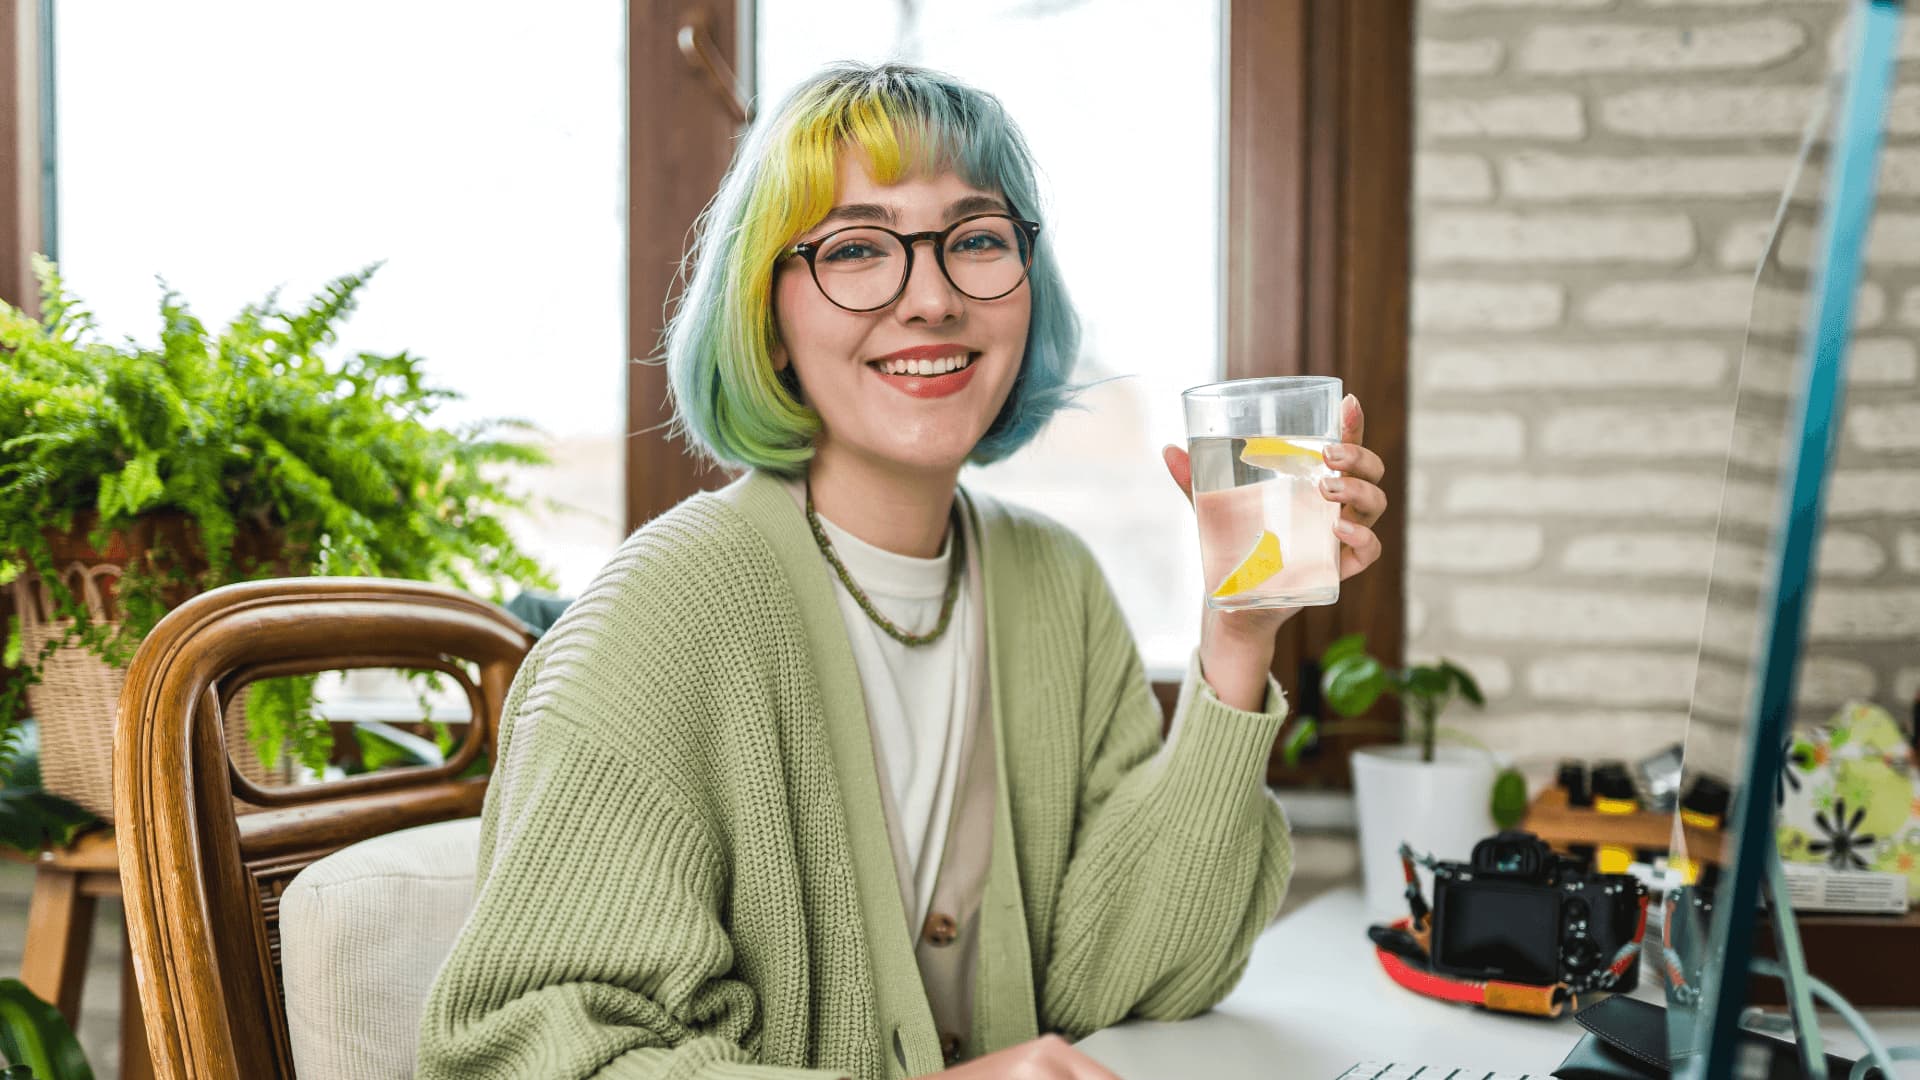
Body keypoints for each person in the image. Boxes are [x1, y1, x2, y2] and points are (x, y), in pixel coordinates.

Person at [417, 61, 1389, 1080]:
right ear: (770, 319)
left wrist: (1238, 636)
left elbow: (1149, 974)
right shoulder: (657, 620)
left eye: (975, 240)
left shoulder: (1056, 585)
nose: (930, 298)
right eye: (857, 249)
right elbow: (520, 1054)